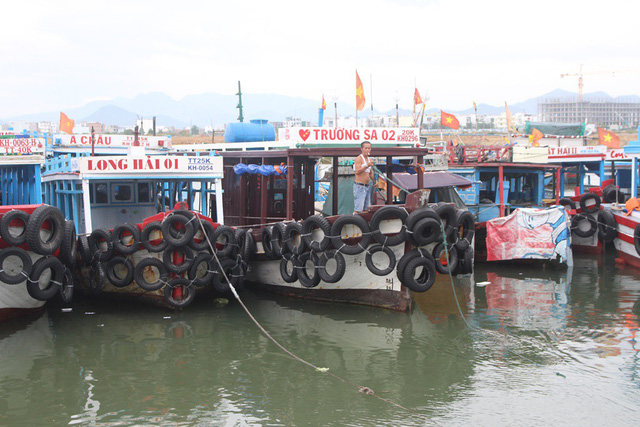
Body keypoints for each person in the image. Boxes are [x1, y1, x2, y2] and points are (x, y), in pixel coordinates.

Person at [353, 141, 374, 212]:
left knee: (367, 209)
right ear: (361, 149)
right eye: (366, 148)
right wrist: (367, 165)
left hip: (367, 186)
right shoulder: (358, 158)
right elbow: (357, 171)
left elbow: (370, 173)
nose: (367, 150)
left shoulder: (369, 160)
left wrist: (375, 181)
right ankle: (355, 221)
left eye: (369, 148)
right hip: (360, 186)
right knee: (358, 209)